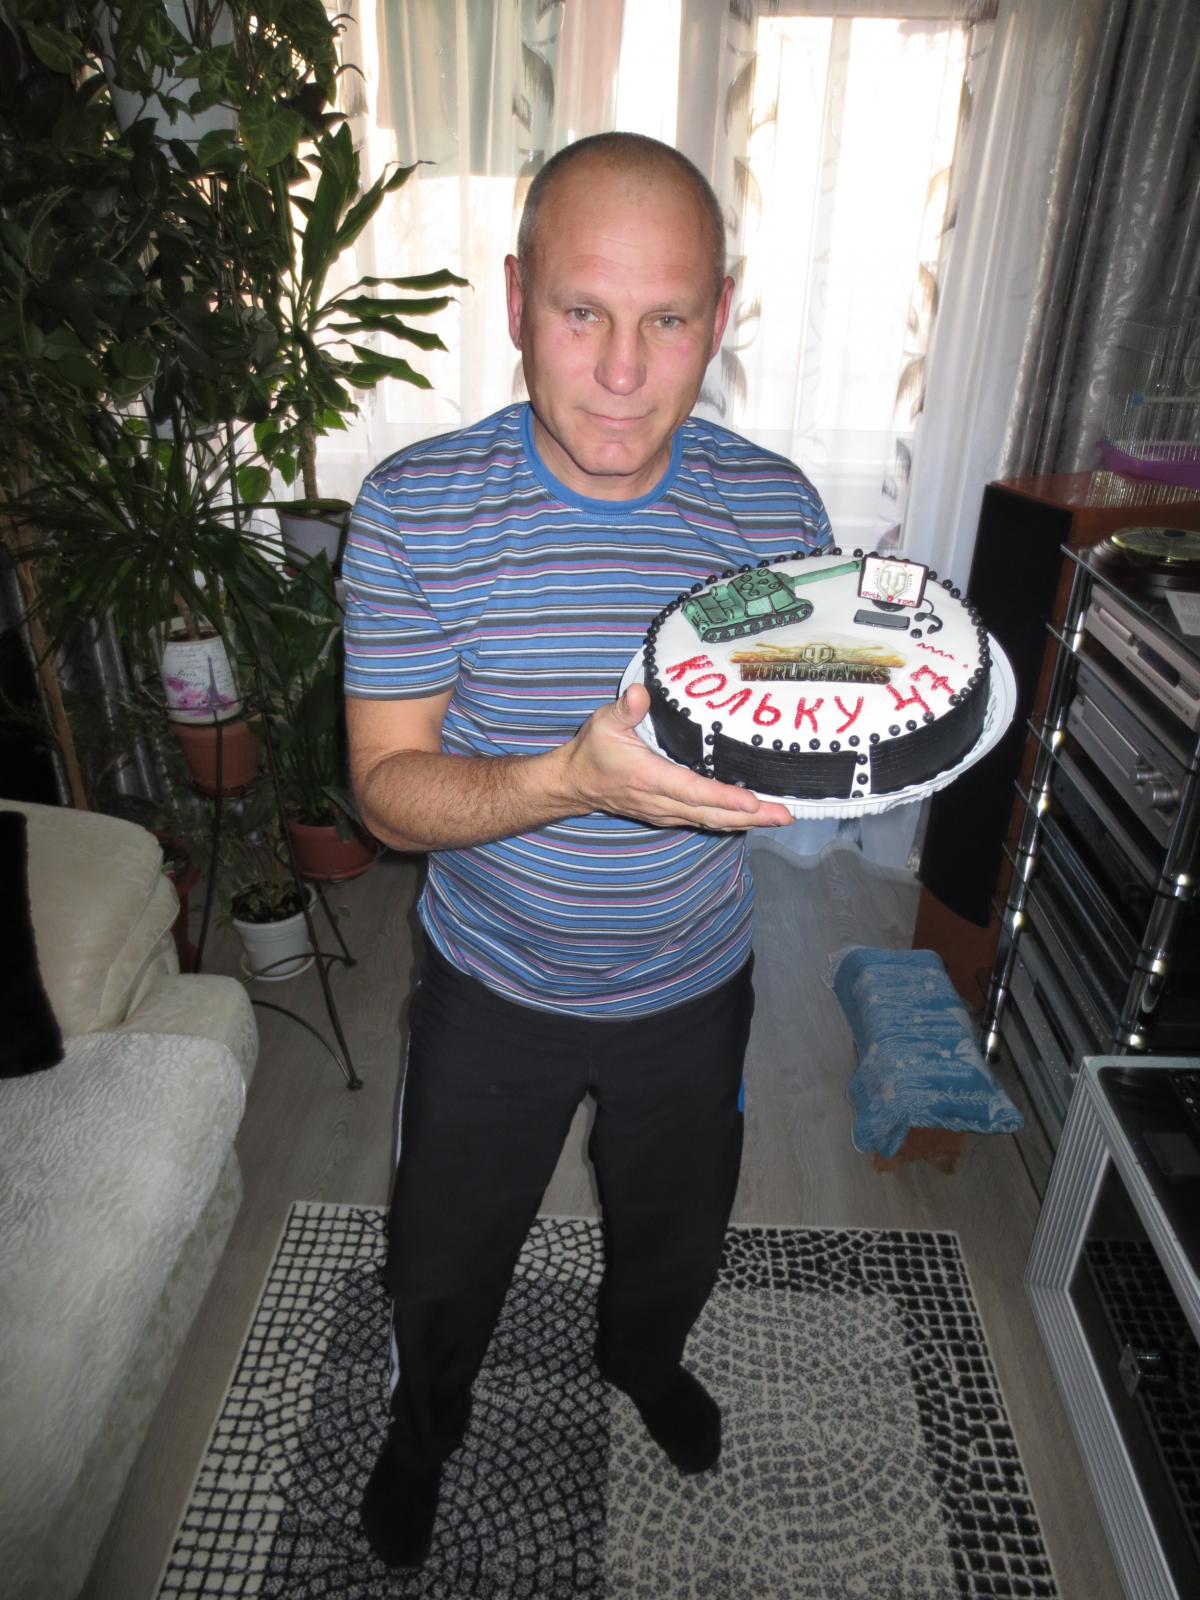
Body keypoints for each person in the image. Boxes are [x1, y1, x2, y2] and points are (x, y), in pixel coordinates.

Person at [342, 130, 831, 1570]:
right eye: (581, 312)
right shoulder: (415, 511)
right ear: (515, 300)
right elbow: (384, 797)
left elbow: (799, 727)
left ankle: (642, 1358)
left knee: (679, 1234)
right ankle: (426, 1424)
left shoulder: (779, 512)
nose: (623, 370)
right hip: (492, 986)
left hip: (697, 982)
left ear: (720, 317)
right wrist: (571, 778)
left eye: (666, 319)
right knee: (443, 1258)